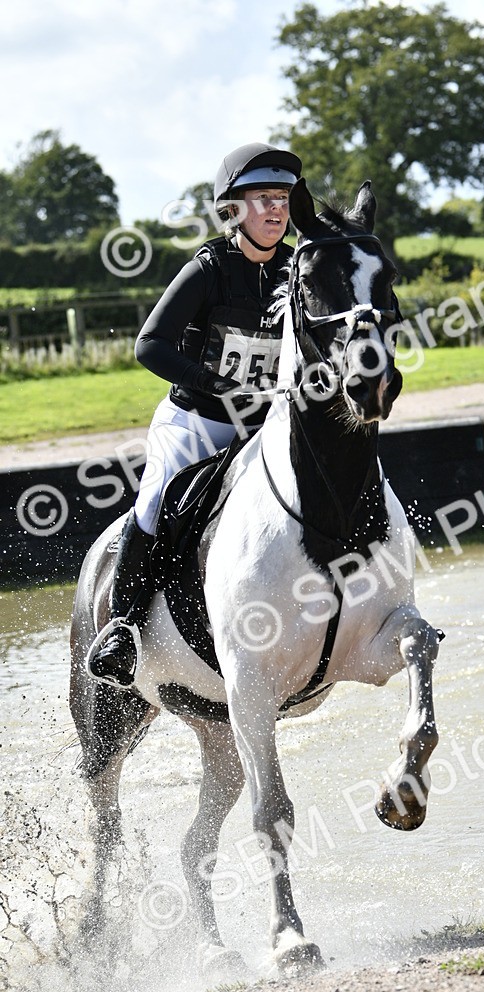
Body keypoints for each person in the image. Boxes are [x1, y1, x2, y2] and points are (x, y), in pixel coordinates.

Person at [86, 141, 302, 688]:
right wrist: (212, 382)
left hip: (265, 425)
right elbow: (149, 346)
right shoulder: (207, 269)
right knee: (155, 503)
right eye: (263, 199)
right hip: (197, 424)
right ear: (233, 207)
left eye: (282, 198)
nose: (276, 209)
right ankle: (123, 628)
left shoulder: (299, 268)